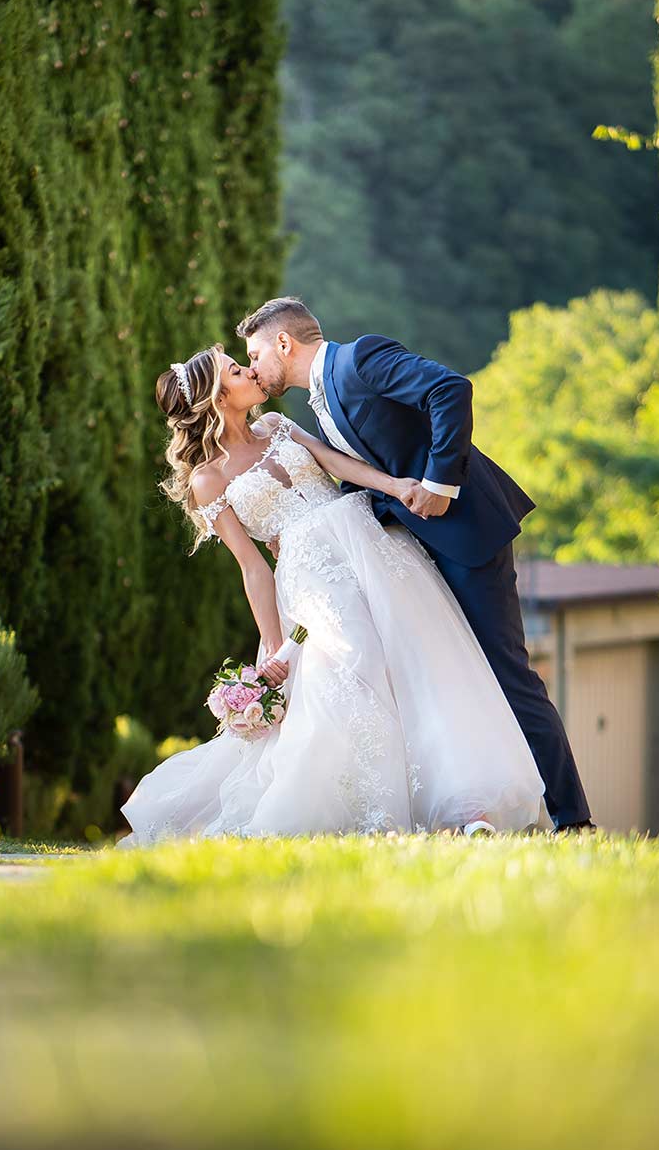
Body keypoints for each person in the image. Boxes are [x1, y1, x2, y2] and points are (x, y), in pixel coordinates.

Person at [119, 345, 546, 843]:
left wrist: (397, 484)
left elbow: (337, 465)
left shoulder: (276, 424)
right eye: (235, 371)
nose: (248, 370)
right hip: (310, 575)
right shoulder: (207, 479)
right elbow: (253, 569)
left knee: (420, 657)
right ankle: (371, 810)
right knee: (355, 660)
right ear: (217, 398)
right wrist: (276, 646)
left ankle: (465, 806)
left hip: (368, 543)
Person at [238, 297, 593, 833]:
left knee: (506, 673)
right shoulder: (317, 404)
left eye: (255, 353)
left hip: (466, 533)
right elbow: (367, 477)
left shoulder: (359, 360)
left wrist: (439, 483)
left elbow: (450, 389)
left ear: (283, 343)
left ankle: (573, 820)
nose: (255, 368)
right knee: (445, 677)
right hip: (411, 552)